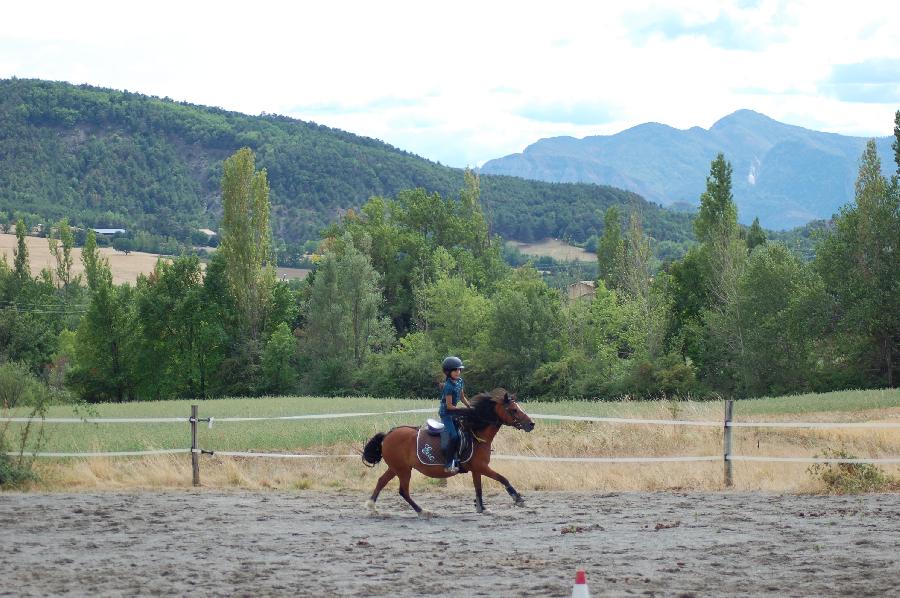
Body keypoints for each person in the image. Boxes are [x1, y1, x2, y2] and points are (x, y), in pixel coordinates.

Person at [438, 356, 472, 473]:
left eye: (459, 370)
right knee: (454, 436)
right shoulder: (448, 386)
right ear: (448, 372)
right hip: (447, 414)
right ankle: (448, 463)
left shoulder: (460, 381)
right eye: (455, 370)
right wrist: (462, 410)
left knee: (464, 433)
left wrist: (470, 407)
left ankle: (459, 460)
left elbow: (462, 397)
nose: (458, 372)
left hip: (455, 412)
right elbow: (449, 406)